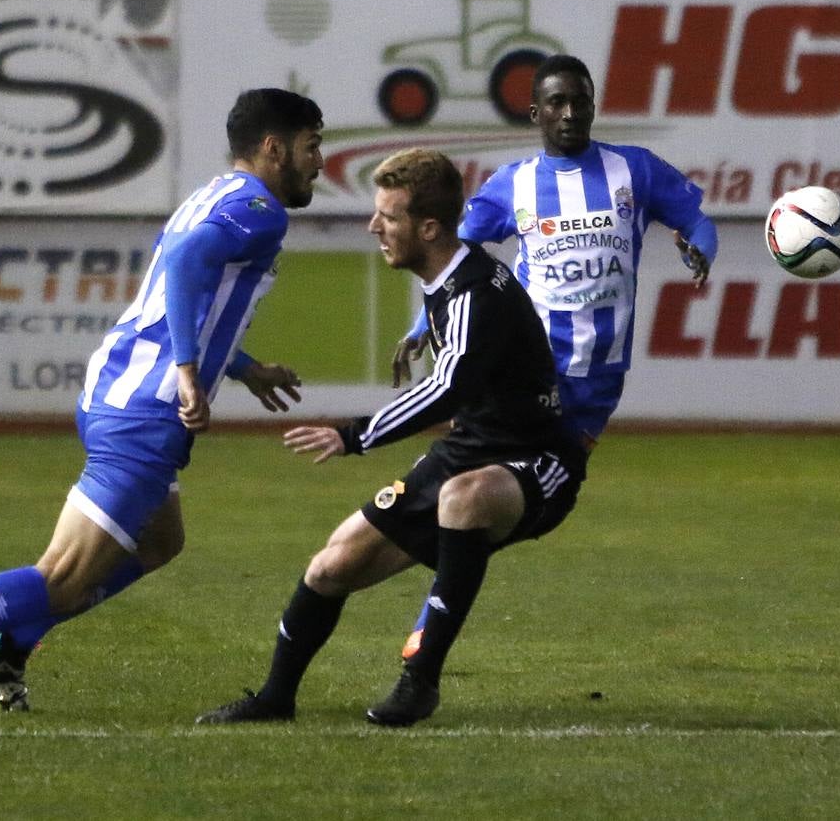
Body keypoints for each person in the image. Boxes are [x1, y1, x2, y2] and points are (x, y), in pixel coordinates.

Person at [0, 88, 324, 715]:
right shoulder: (261, 209)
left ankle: (12, 642)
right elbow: (181, 261)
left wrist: (243, 368)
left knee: (158, 543)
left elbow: (184, 291)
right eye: (312, 146)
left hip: (120, 386)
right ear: (274, 148)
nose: (319, 161)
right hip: (145, 408)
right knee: (63, 577)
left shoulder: (216, 195)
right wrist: (185, 370)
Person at [195, 147, 587, 729]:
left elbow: (448, 388)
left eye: (388, 216)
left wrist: (352, 435)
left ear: (428, 228)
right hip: (470, 450)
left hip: (539, 460)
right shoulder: (449, 280)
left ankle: (420, 680)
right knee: (331, 565)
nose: (374, 227)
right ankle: (275, 699)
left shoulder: (477, 292)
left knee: (464, 499)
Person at [394, 54, 718, 659]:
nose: (571, 113)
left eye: (581, 100)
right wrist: (422, 322)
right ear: (536, 112)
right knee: (478, 495)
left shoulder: (635, 170)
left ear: (593, 104)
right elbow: (454, 266)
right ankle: (426, 623)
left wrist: (701, 248)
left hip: (597, 385)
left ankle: (423, 580)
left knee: (499, 505)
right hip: (524, 374)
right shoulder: (513, 185)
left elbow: (698, 220)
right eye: (558, 103)